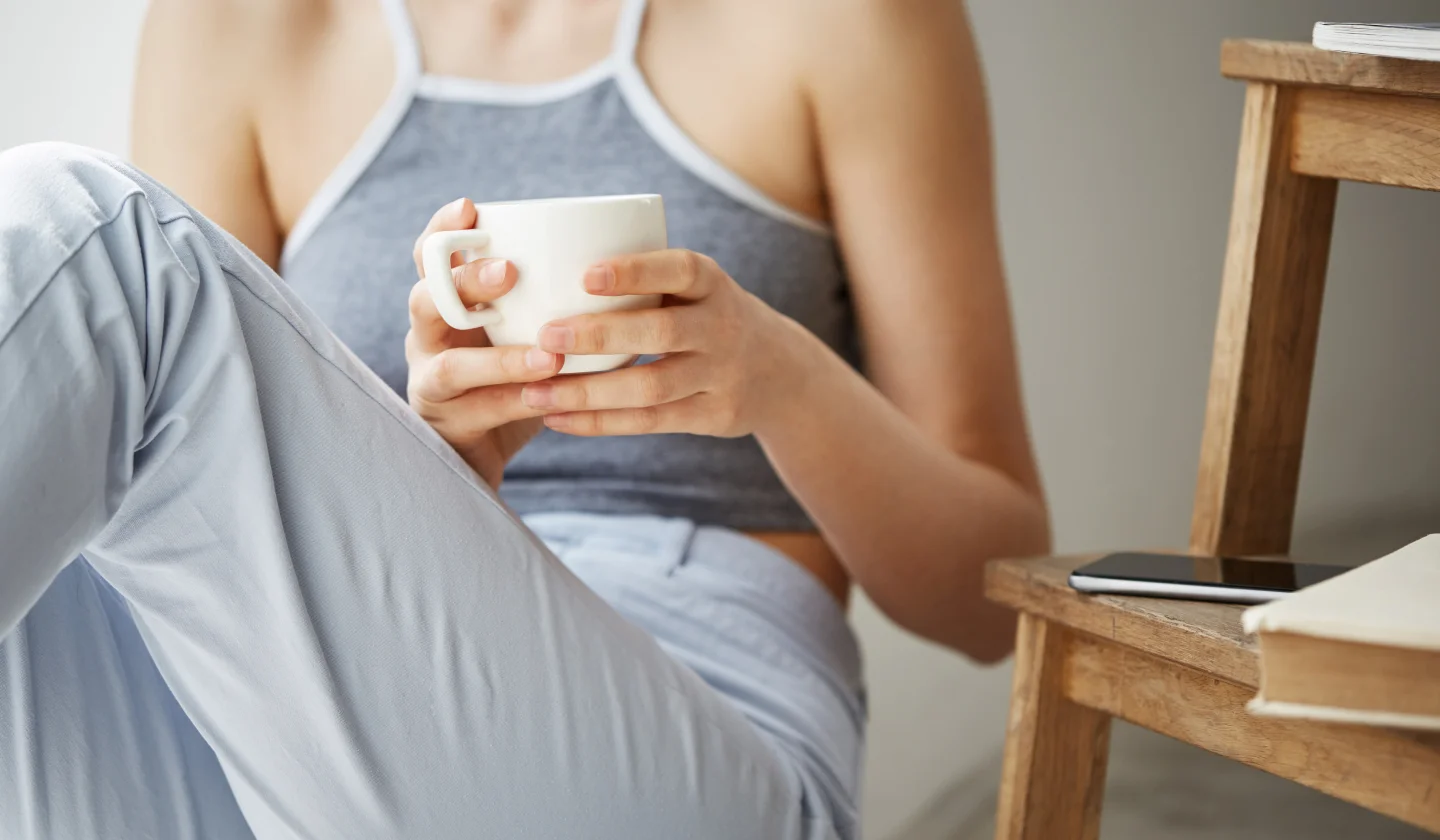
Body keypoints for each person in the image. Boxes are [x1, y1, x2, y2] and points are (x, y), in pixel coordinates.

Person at [0, 0, 1048, 836]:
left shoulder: (846, 19)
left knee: (95, 241)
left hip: (700, 714)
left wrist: (776, 376)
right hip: (299, 740)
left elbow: (992, 603)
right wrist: (427, 478)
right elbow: (203, 508)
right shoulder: (238, 28)